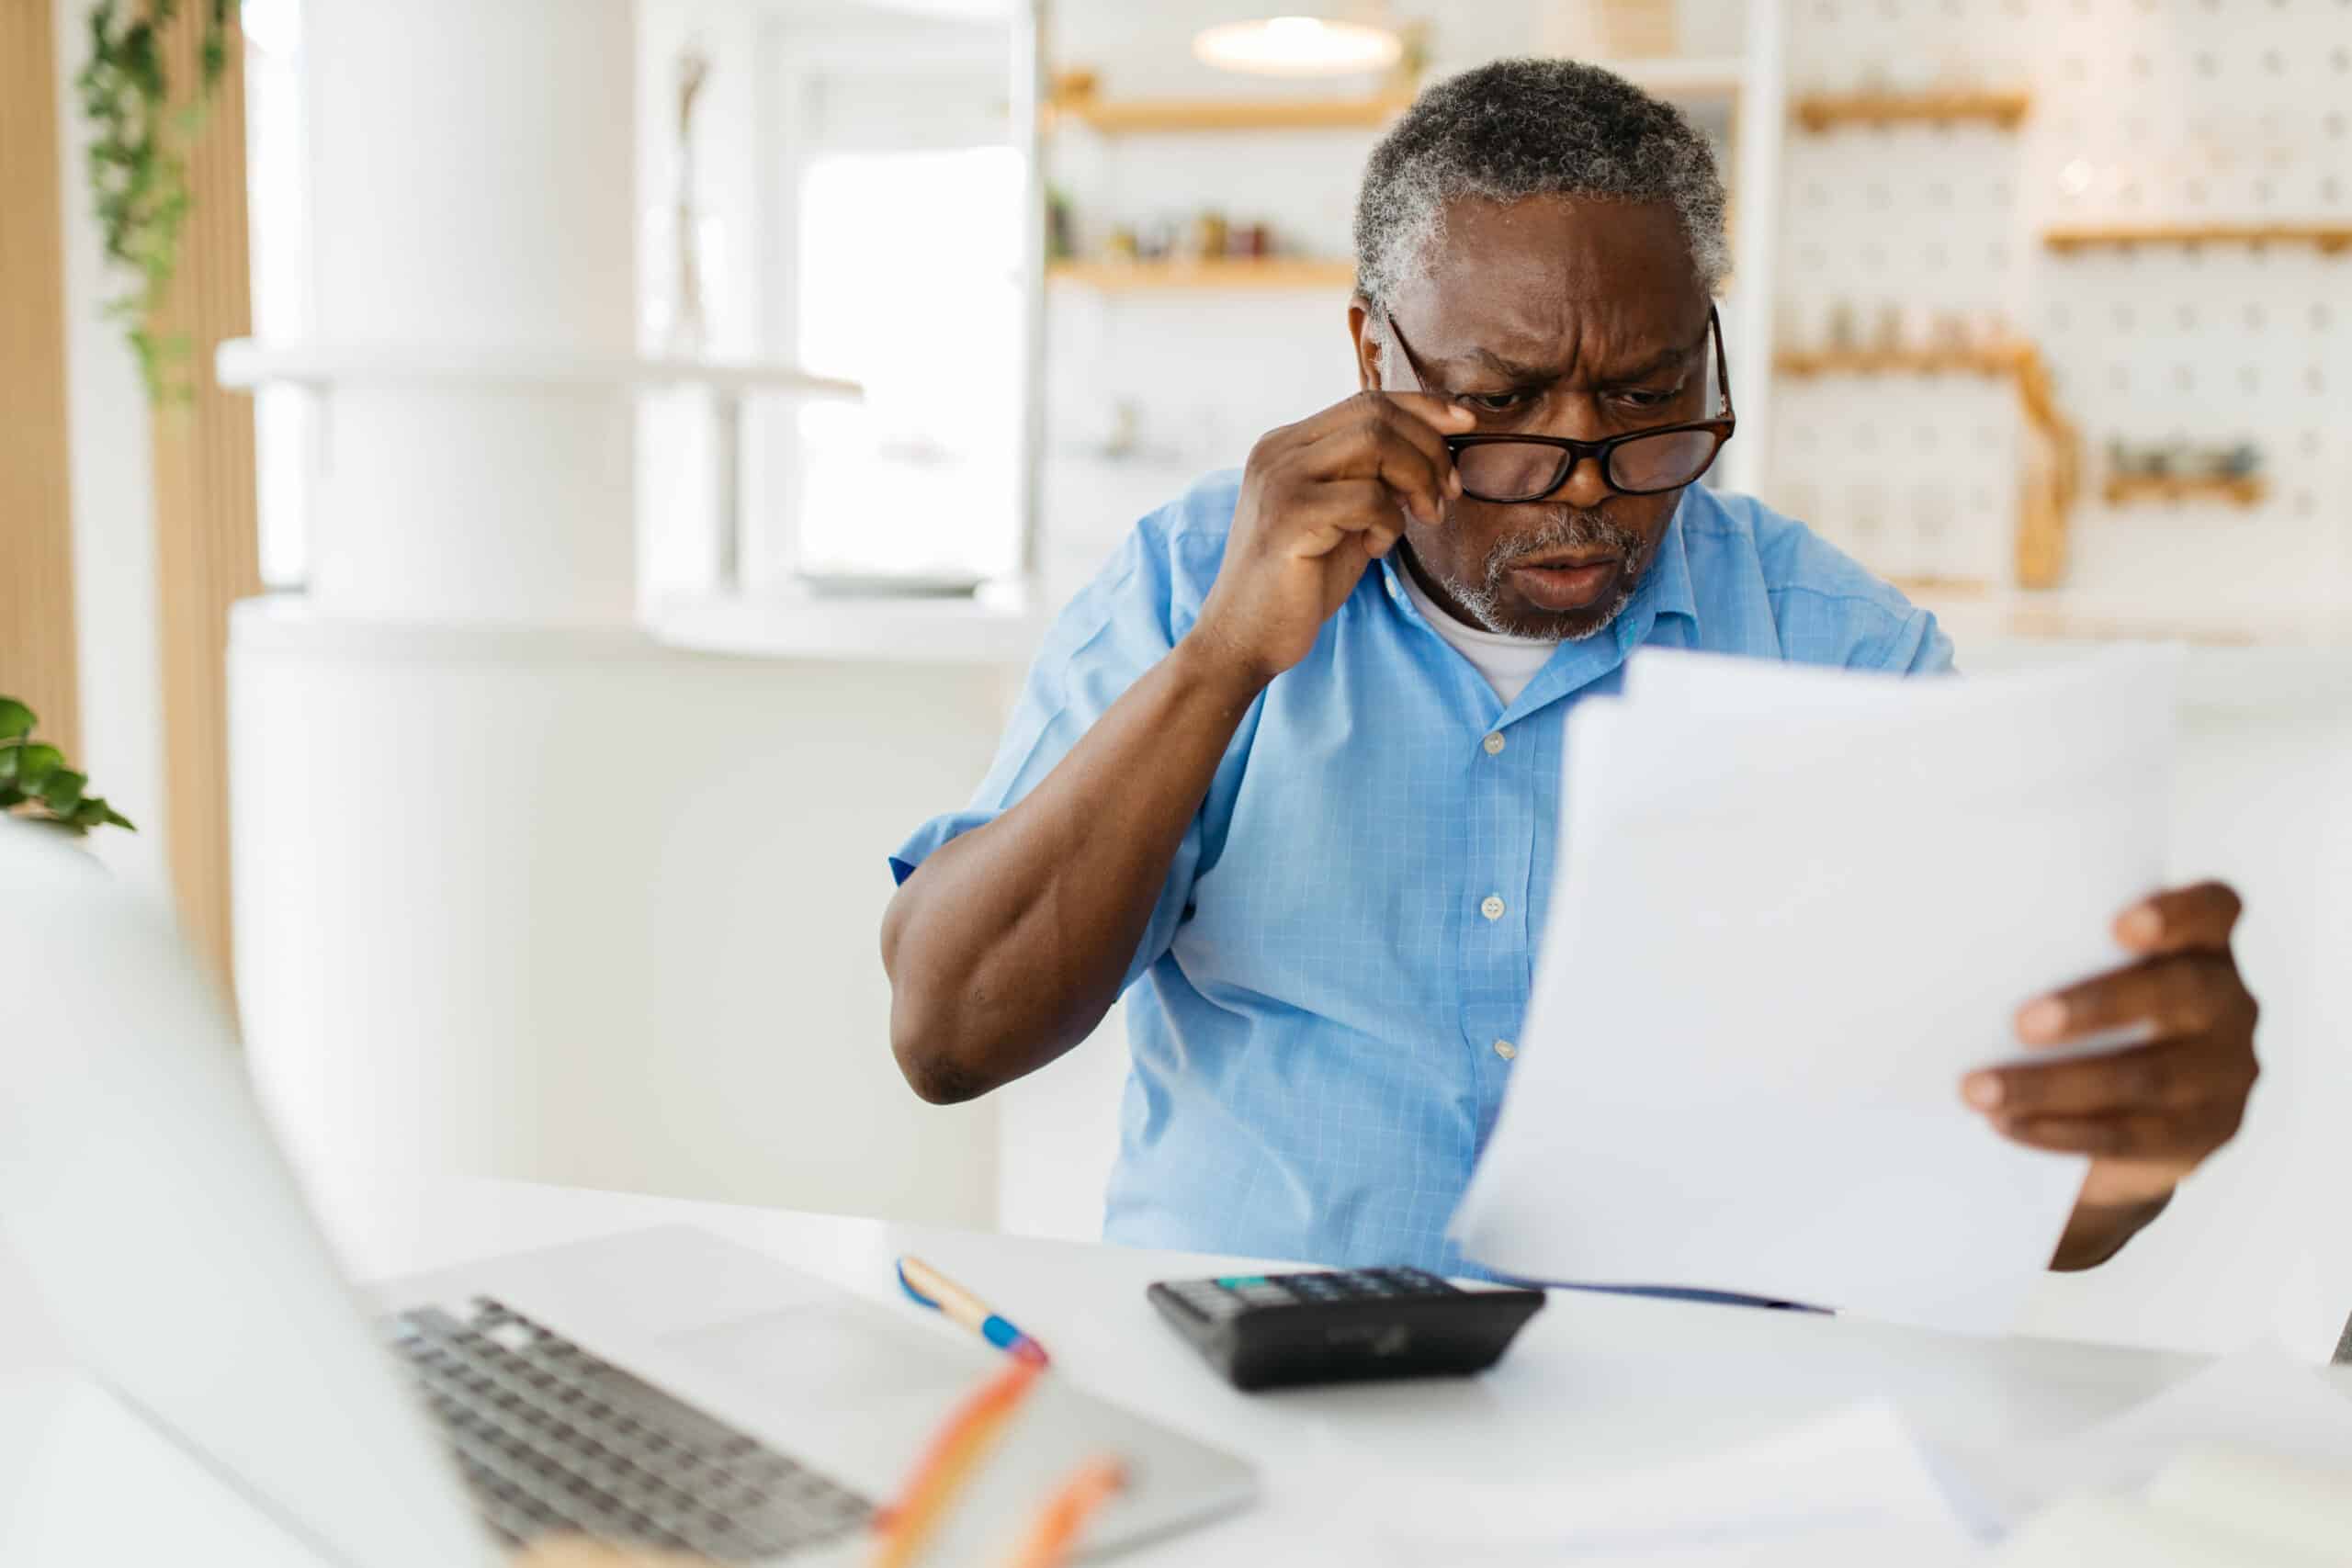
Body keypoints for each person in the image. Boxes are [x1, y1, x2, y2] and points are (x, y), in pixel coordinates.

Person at [879, 60, 2260, 1280]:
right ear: (1372, 352)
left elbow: (2033, 1199)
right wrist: (1224, 665)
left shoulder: (1841, 652)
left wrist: (2138, 1147)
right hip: (1255, 1394)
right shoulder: (1193, 583)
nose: (1583, 485)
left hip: (1688, 1436)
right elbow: (950, 1037)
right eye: (1501, 403)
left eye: (1652, 399)